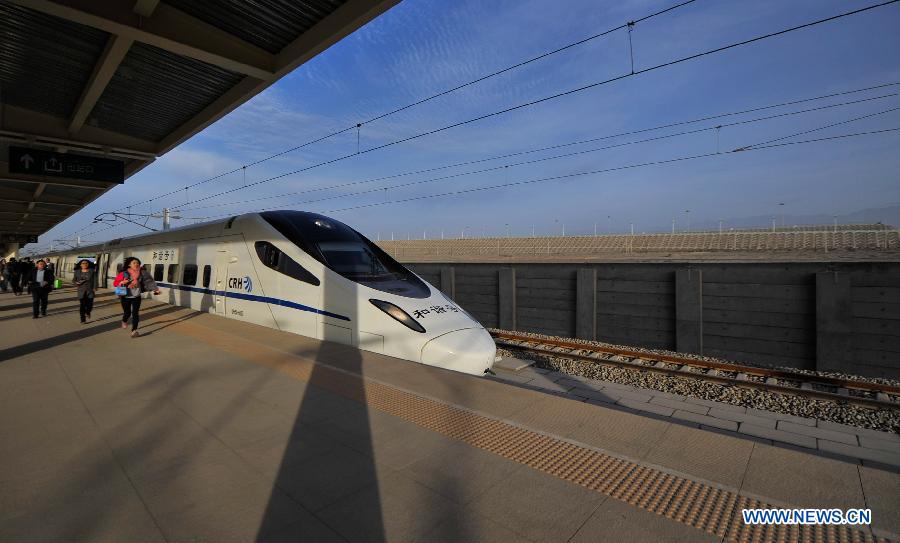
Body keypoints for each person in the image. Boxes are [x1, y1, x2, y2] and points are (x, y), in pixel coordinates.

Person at [113, 257, 160, 338]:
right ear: (129, 264)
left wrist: (155, 289)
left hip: (136, 296)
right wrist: (122, 282)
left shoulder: (143, 273)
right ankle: (124, 321)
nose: (136, 264)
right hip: (125, 296)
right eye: (134, 263)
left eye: (137, 262)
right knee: (127, 313)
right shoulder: (123, 273)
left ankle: (134, 330)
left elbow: (149, 281)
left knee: (135, 313)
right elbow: (115, 283)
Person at [72, 259, 97, 323]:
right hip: (81, 291)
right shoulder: (77, 272)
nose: (84, 264)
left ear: (88, 264)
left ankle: (88, 312)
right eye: (83, 263)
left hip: (90, 290)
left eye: (86, 263)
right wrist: (76, 283)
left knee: (90, 305)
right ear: (80, 265)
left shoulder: (92, 271)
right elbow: (73, 280)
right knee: (82, 305)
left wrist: (95, 287)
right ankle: (82, 319)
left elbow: (95, 280)